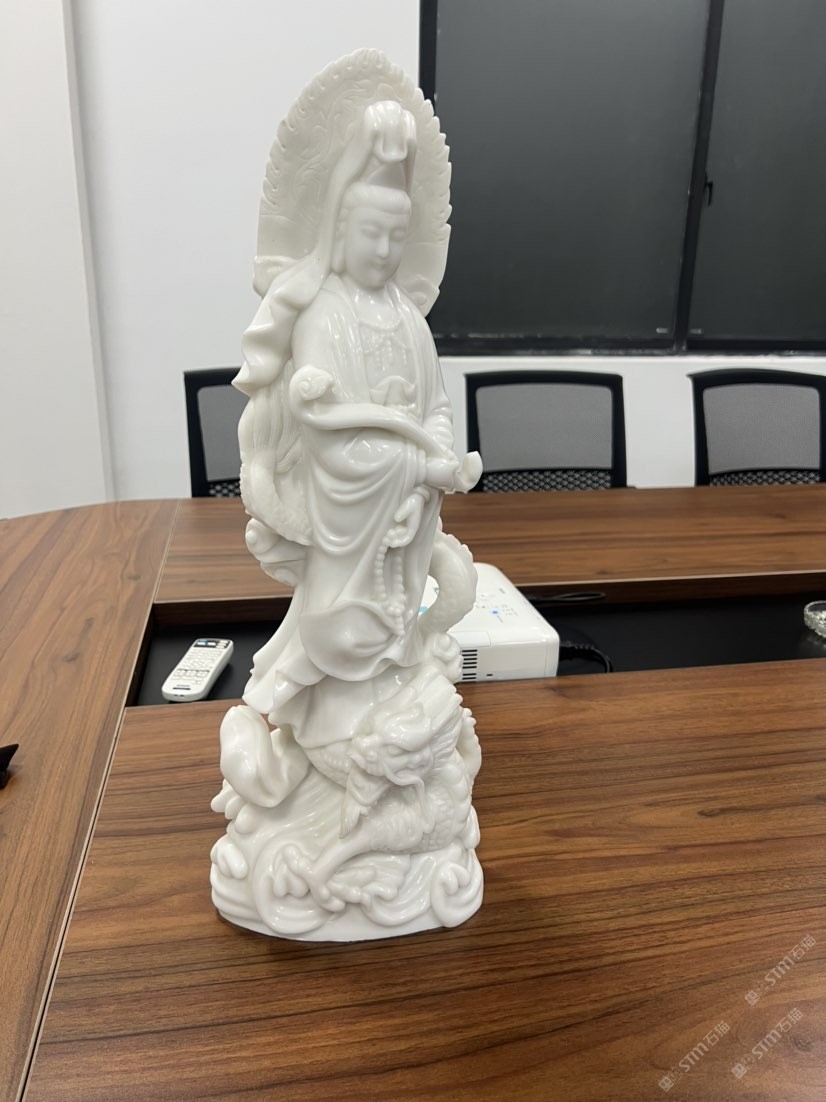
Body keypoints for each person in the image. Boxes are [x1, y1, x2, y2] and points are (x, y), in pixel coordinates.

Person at [232, 101, 477, 758]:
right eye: (372, 233)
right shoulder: (324, 315)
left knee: (399, 619)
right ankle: (323, 718)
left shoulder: (411, 321)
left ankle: (392, 689)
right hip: (352, 505)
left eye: (397, 236)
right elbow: (328, 438)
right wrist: (418, 464)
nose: (386, 250)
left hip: (407, 511)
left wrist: (437, 454)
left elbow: (436, 407)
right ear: (340, 231)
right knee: (341, 627)